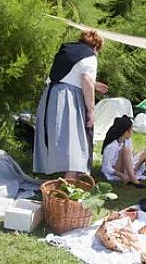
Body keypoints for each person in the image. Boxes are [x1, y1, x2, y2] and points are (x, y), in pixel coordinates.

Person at [33, 30, 103, 179]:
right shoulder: (90, 56)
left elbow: (68, 76)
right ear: (96, 47)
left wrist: (94, 84)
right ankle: (71, 179)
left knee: (59, 136)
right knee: (74, 137)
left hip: (51, 96)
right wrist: (91, 111)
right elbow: (85, 80)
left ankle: (64, 175)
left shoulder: (67, 52)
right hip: (68, 98)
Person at [100, 115, 146, 188]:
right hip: (118, 170)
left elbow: (130, 156)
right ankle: (133, 178)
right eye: (131, 130)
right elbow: (106, 167)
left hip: (127, 168)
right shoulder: (111, 146)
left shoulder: (127, 141)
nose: (132, 132)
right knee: (126, 150)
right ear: (126, 132)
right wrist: (121, 175)